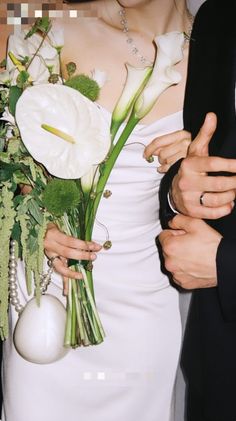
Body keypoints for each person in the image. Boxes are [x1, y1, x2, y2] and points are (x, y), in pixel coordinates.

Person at [1, 1, 203, 420]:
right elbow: (11, 153)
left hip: (143, 306)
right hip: (49, 295)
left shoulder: (217, 46)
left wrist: (202, 158)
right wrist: (32, 215)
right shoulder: (50, 20)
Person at [145, 0, 236, 420]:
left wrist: (226, 265)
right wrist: (177, 194)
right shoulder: (217, 18)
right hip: (217, 366)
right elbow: (204, 154)